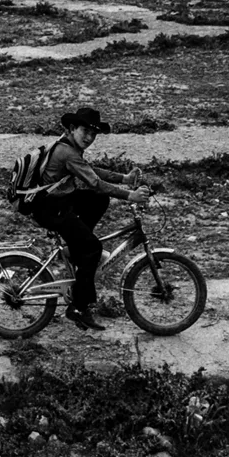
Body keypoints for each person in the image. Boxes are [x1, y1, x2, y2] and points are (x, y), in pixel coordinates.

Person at [28, 105, 150, 330]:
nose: (90, 137)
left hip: (59, 201)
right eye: (86, 131)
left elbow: (90, 171)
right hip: (51, 208)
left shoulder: (68, 148)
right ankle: (78, 308)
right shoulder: (66, 152)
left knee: (97, 200)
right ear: (73, 128)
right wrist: (130, 195)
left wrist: (123, 178)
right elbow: (95, 182)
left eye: (94, 134)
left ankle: (77, 251)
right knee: (92, 249)